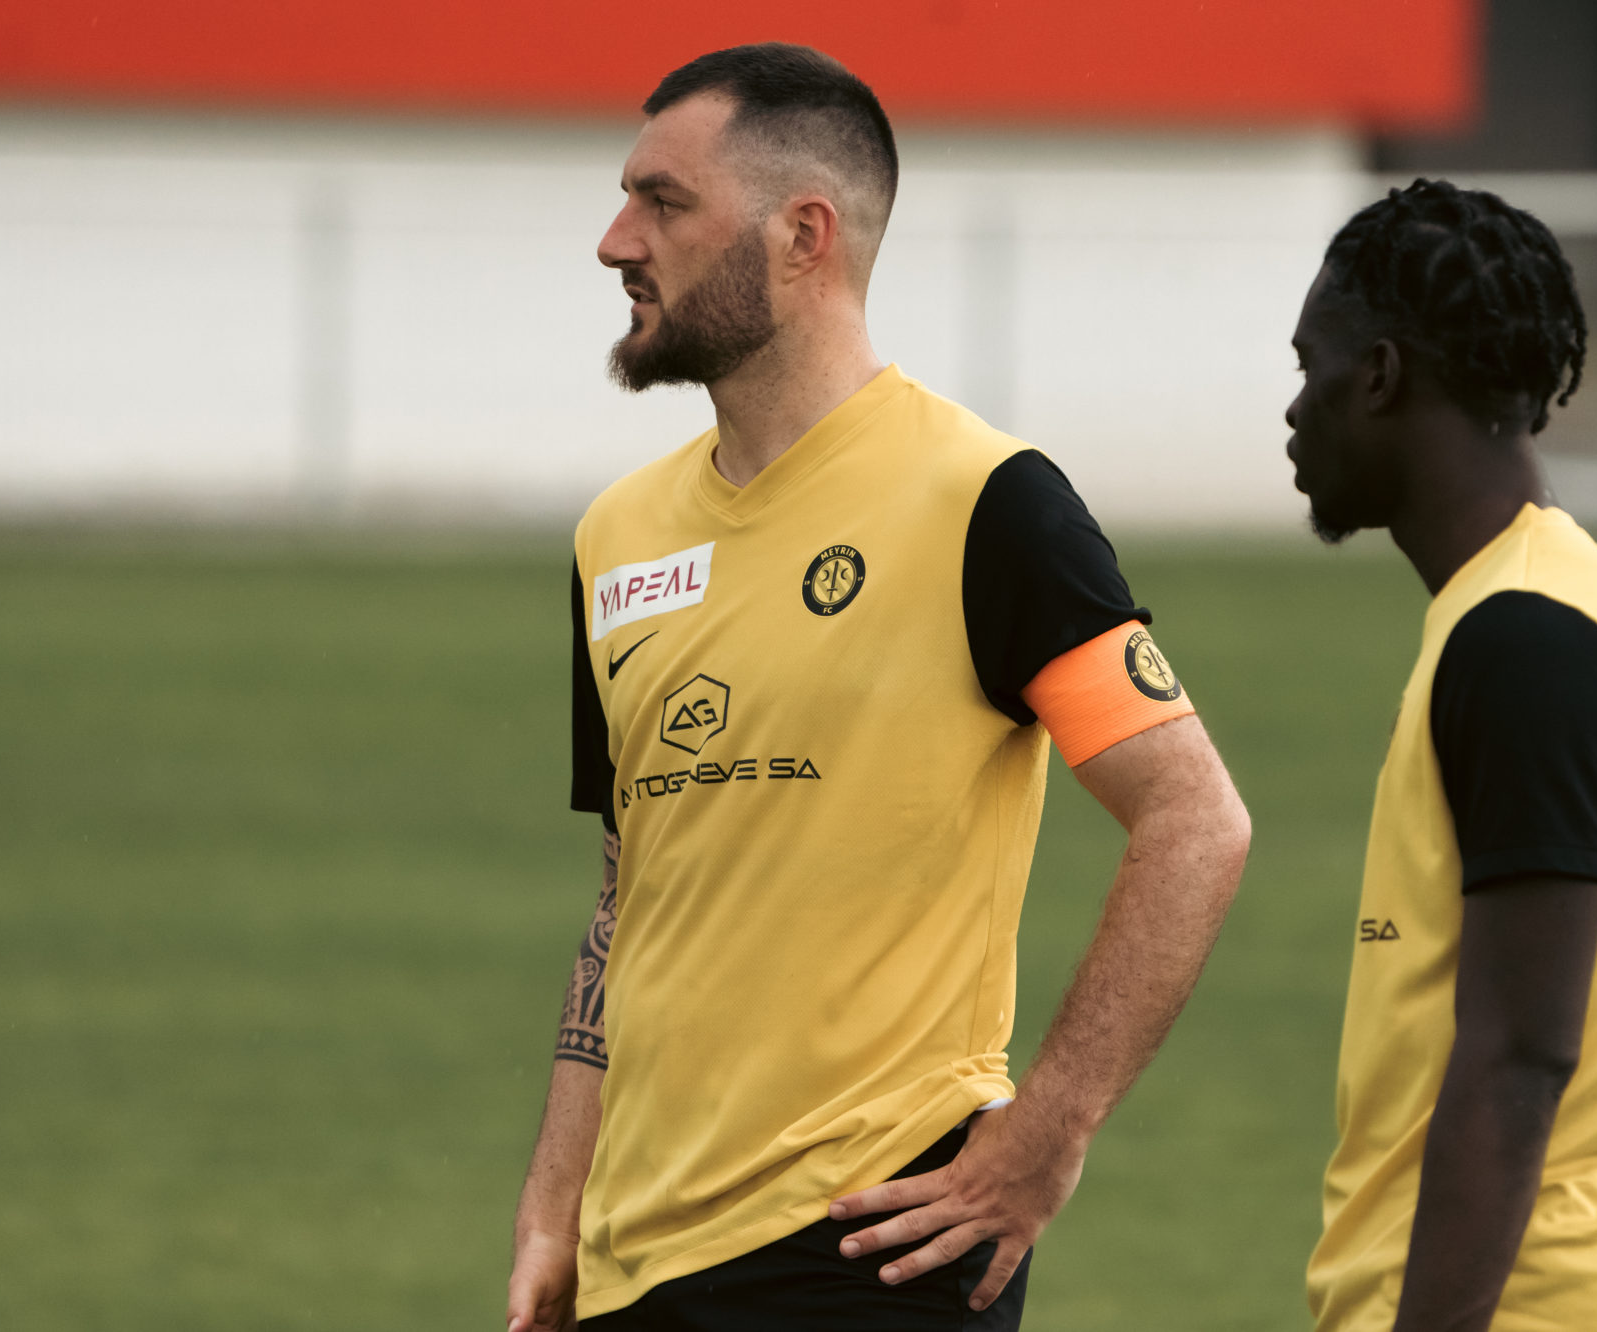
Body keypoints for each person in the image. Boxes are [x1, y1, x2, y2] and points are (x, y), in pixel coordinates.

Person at [506, 44, 1252, 1332]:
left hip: (875, 1248)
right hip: (637, 1261)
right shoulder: (615, 538)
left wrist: (1049, 1132)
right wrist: (554, 1206)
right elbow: (628, 895)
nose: (616, 241)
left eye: (663, 202)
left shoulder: (986, 502)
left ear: (803, 235)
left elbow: (1195, 818)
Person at [1284, 179, 1597, 1332]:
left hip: (1531, 1301)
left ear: (1379, 377)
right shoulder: (1564, 605)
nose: (1294, 407)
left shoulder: (1527, 637)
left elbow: (1522, 1055)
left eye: (1310, 365)